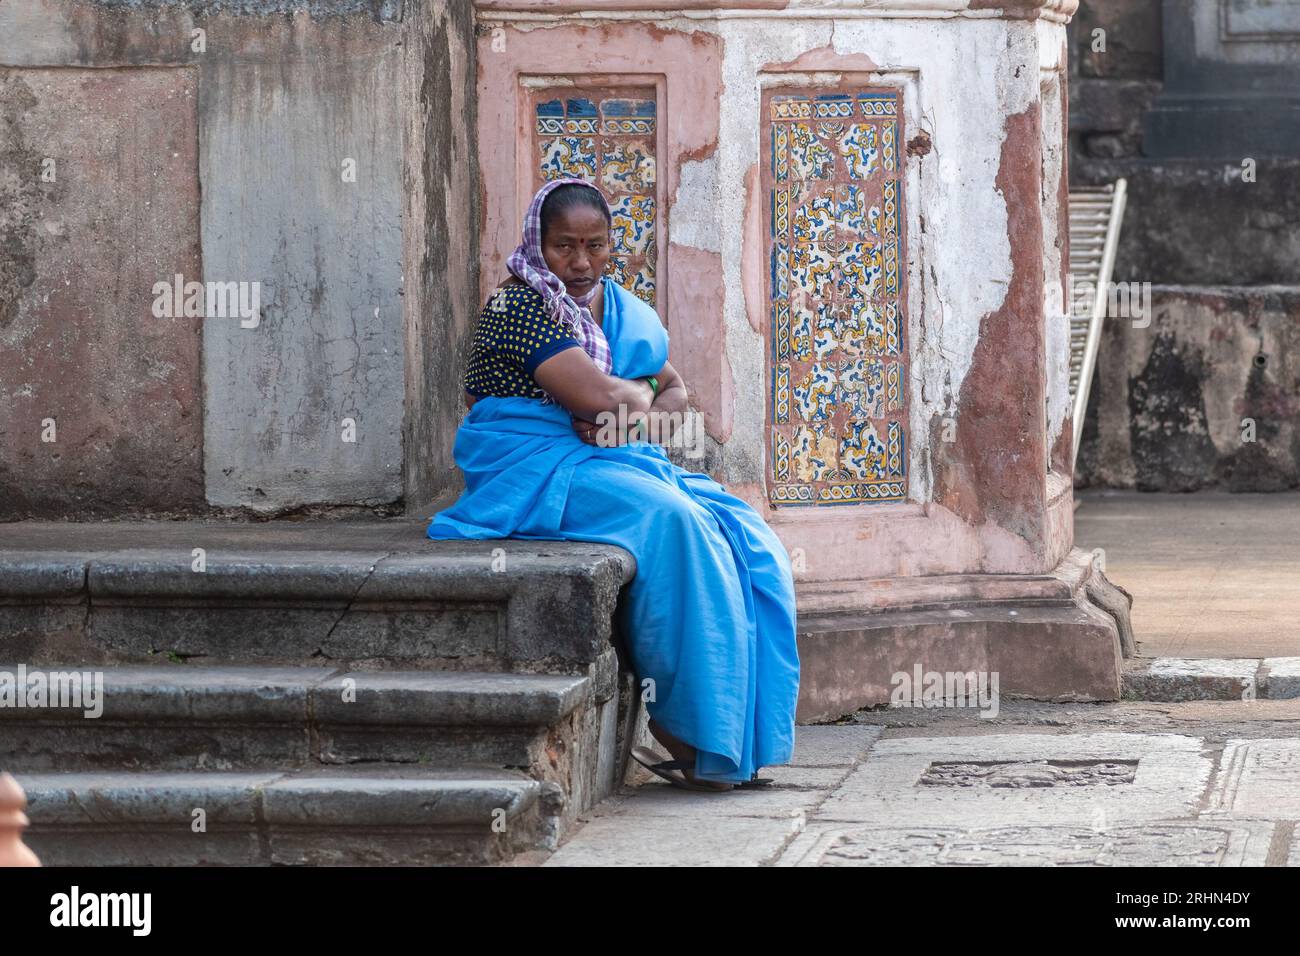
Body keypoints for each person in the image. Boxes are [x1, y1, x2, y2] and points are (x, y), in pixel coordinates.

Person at [427, 176, 800, 792]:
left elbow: (674, 391)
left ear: (611, 246)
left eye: (596, 246)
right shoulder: (517, 307)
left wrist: (637, 407)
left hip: (610, 460)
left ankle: (744, 733)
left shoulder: (621, 309)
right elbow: (601, 397)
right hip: (533, 465)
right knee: (673, 523)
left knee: (741, 529)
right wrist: (629, 399)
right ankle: (692, 735)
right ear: (535, 243)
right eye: (563, 246)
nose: (580, 262)